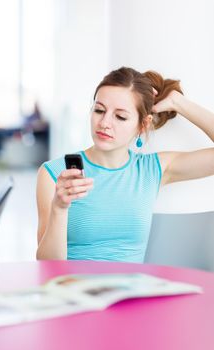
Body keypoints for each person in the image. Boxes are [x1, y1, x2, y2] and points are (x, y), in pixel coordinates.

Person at [36, 67, 214, 262]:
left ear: (142, 125)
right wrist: (59, 207)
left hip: (131, 290)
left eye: (120, 116)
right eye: (99, 110)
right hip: (72, 289)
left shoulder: (152, 170)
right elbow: (47, 264)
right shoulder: (53, 173)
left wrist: (178, 103)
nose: (104, 122)